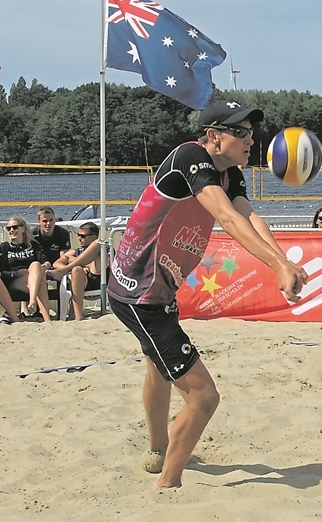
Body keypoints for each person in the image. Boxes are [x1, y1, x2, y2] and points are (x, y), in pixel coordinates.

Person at [107, 99, 307, 490]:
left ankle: (158, 449)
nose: (251, 140)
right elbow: (227, 218)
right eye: (241, 132)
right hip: (139, 292)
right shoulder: (190, 158)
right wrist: (278, 266)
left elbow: (248, 216)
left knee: (158, 368)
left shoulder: (230, 173)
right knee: (203, 397)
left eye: (252, 132)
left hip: (157, 290)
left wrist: (283, 262)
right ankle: (168, 485)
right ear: (213, 136)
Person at [1, 215, 52, 322]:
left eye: (15, 227)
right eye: (8, 228)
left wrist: (45, 266)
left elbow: (45, 260)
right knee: (40, 280)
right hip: (14, 280)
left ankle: (34, 303)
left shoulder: (32, 245)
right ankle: (45, 316)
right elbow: (1, 271)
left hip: (32, 278)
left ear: (23, 228)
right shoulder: (5, 247)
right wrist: (15, 273)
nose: (11, 230)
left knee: (36, 266)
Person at [49, 222, 103, 321]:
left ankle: (65, 270)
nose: (79, 238)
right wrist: (75, 266)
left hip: (99, 281)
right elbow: (56, 264)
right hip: (82, 283)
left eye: (83, 236)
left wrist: (74, 261)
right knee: (76, 270)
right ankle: (78, 317)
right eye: (78, 235)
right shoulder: (77, 251)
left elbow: (97, 268)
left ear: (93, 237)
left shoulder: (104, 248)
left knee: (98, 244)